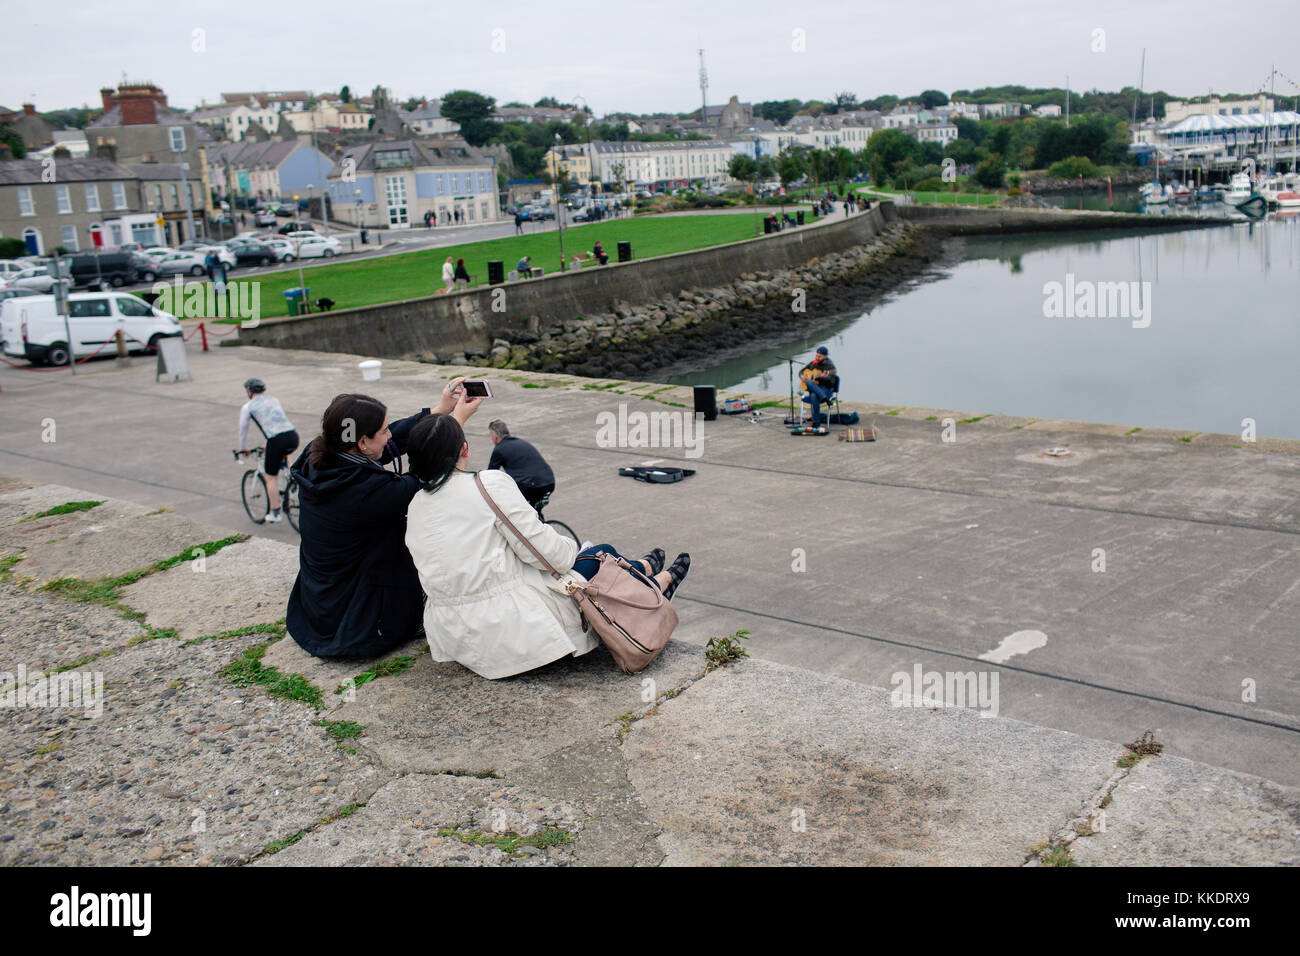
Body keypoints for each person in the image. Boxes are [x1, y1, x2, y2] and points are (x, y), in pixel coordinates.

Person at [404, 414, 690, 680]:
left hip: (455, 636)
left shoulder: (415, 506)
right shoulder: (486, 485)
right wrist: (571, 547)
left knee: (594, 561)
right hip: (513, 633)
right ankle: (651, 582)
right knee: (598, 554)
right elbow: (551, 557)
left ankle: (645, 571)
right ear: (464, 450)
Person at [285, 379, 483, 658]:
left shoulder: (320, 457)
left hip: (320, 608)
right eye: (383, 430)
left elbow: (395, 440)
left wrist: (442, 410)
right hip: (358, 624)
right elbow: (426, 474)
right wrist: (456, 423)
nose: (390, 434)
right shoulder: (364, 492)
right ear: (363, 442)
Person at [237, 378, 299, 523]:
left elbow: (243, 430)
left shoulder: (248, 407)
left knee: (270, 477)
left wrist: (243, 448)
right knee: (282, 453)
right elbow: (277, 422)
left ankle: (275, 512)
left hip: (276, 440)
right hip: (292, 436)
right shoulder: (274, 400)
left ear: (249, 391)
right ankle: (295, 479)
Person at [485, 419, 554, 508]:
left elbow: (491, 474)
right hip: (548, 482)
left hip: (532, 485)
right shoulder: (520, 442)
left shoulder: (499, 449)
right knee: (533, 512)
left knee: (509, 507)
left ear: (495, 436)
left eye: (490, 435)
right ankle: (539, 520)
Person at [800, 346, 838, 426]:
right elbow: (801, 371)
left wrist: (826, 378)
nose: (817, 358)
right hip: (817, 389)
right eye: (816, 355)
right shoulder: (813, 364)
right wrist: (801, 376)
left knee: (814, 395)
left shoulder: (830, 366)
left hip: (826, 389)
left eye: (819, 356)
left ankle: (816, 422)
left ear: (825, 356)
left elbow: (831, 383)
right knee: (809, 382)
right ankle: (825, 399)